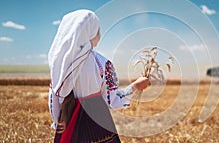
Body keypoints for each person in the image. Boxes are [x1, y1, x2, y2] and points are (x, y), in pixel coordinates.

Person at [48, 9, 149, 143]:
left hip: (68, 123)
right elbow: (112, 100)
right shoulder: (102, 63)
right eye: (98, 30)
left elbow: (53, 99)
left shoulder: (59, 64)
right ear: (89, 32)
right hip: (97, 123)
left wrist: (57, 121)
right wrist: (136, 86)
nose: (100, 34)